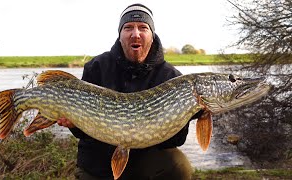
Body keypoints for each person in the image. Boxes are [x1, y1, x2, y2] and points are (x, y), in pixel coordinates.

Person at [58, 3, 202, 180]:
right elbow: (85, 131)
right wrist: (74, 124)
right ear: (120, 36)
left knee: (179, 166)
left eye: (143, 27)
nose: (136, 34)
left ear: (152, 35)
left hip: (144, 162)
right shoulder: (97, 67)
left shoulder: (171, 76)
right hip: (97, 162)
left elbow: (174, 141)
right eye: (128, 28)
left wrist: (190, 114)